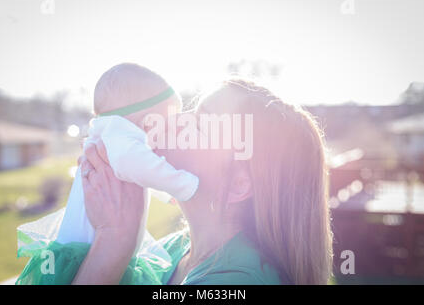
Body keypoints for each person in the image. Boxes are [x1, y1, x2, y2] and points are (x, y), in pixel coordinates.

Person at [16, 78, 333, 285]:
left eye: (200, 123)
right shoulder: (174, 249)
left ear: (238, 185)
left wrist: (113, 241)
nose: (177, 120)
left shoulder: (238, 280)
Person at [56, 63, 199, 250]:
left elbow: (137, 173)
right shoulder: (119, 139)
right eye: (165, 126)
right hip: (86, 252)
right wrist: (187, 186)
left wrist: (167, 194)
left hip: (90, 246)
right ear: (147, 122)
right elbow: (144, 167)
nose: (168, 135)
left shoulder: (111, 138)